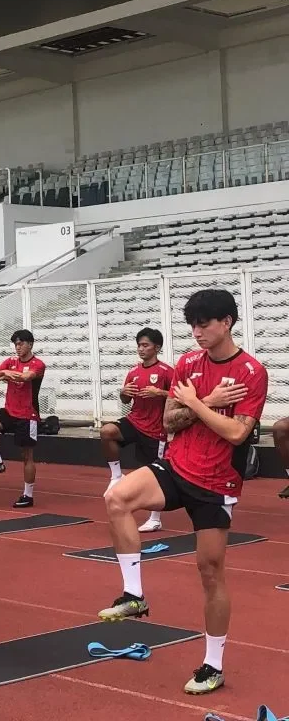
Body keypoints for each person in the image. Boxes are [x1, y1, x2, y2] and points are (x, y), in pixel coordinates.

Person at [98, 289, 267, 696]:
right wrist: (206, 401)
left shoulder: (251, 371)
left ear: (226, 322)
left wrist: (200, 406)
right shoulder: (189, 363)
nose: (196, 333)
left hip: (216, 483)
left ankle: (213, 663)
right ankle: (134, 594)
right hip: (176, 465)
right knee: (116, 498)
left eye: (204, 324)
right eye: (192, 325)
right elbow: (170, 421)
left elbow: (237, 431)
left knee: (210, 573)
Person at [101, 328, 174, 533]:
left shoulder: (167, 372)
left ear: (157, 348)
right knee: (107, 431)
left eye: (146, 345)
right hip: (135, 420)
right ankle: (116, 476)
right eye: (139, 345)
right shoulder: (133, 372)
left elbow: (180, 395)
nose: (141, 349)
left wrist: (160, 392)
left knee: (151, 472)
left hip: (156, 430)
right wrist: (123, 393)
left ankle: (155, 518)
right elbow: (126, 399)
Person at [0, 330, 46, 508]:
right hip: (10, 410)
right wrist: (4, 372)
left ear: (30, 344)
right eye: (16, 344)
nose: (17, 348)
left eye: (21, 344)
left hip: (28, 414)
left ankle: (28, 494)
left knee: (27, 456)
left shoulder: (38, 364)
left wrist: (6, 373)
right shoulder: (10, 361)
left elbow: (27, 377)